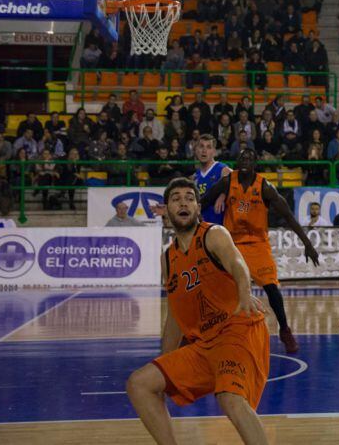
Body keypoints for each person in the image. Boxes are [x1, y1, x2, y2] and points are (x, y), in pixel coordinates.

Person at [126, 178, 269, 445]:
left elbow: (237, 263)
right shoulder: (167, 259)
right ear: (166, 210)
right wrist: (166, 365)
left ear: (197, 207)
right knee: (140, 383)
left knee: (230, 398)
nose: (183, 202)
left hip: (236, 330)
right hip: (204, 344)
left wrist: (244, 291)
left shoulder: (213, 234)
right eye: (176, 198)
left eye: (189, 197)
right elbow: (175, 317)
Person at [200, 149, 320, 354]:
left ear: (255, 162)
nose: (245, 159)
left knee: (272, 288)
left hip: (257, 244)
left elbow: (289, 216)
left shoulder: (265, 187)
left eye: (249, 157)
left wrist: (307, 243)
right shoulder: (229, 181)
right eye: (242, 157)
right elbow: (203, 201)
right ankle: (213, 332)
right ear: (237, 162)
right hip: (232, 244)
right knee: (218, 288)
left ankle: (284, 330)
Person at [194, 135, 232, 224]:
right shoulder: (195, 177)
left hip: (222, 228)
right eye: (201, 146)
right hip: (202, 228)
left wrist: (223, 194)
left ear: (214, 152)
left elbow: (236, 180)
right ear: (196, 150)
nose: (204, 150)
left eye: (208, 147)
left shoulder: (223, 169)